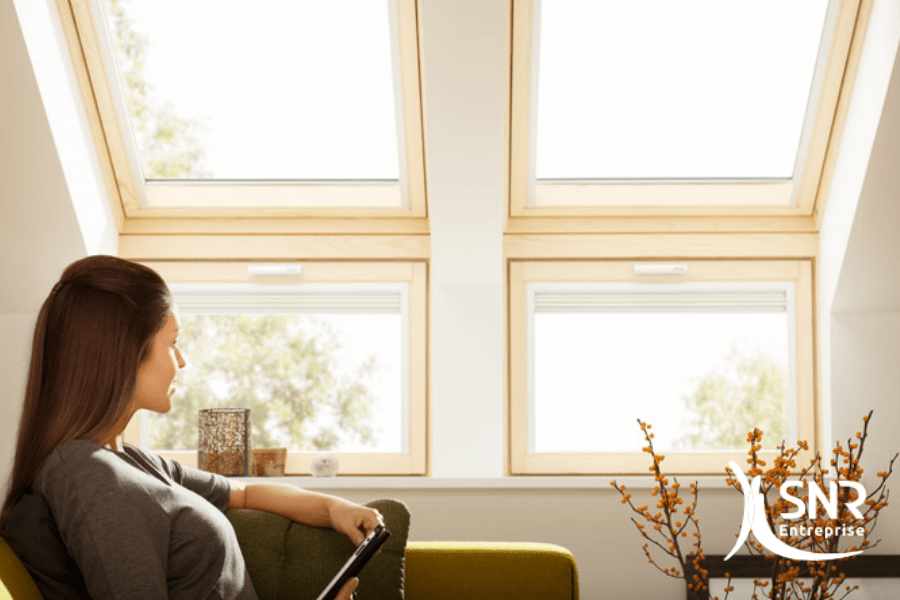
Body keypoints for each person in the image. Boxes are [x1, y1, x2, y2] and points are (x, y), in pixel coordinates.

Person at [0, 255, 381, 600]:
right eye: (172, 343)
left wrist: (333, 508)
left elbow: (244, 494)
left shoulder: (127, 461)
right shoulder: (92, 477)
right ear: (124, 353)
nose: (181, 361)